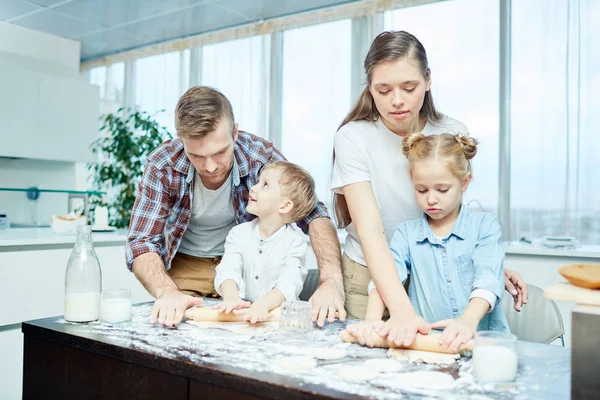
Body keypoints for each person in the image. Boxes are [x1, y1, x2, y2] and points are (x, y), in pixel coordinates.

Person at [331, 30, 527, 347]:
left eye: (409, 88)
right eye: (383, 90)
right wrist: (400, 310)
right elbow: (371, 231)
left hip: (432, 270)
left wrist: (482, 263)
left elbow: (457, 215)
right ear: (370, 88)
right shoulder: (353, 138)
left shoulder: (452, 132)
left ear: (428, 80)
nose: (397, 100)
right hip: (370, 274)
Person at [126, 86, 346, 328]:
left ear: (236, 133)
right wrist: (167, 292)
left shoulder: (261, 157)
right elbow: (142, 242)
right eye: (196, 155)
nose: (209, 167)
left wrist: (331, 283)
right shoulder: (162, 164)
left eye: (220, 152)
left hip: (246, 270)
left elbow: (315, 213)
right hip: (185, 268)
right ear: (182, 141)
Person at [347, 133, 510, 351]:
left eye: (442, 190)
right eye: (421, 190)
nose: (431, 199)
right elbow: (386, 276)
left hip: (484, 346)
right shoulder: (407, 233)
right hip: (429, 343)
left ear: (464, 182)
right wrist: (372, 319)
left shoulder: (485, 227)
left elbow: (488, 278)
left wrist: (468, 320)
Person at [213, 161, 316, 323]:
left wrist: (262, 306)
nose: (253, 188)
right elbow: (228, 268)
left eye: (265, 185)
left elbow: (289, 283)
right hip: (242, 316)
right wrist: (231, 297)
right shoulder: (238, 233)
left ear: (284, 205)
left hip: (278, 320)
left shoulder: (295, 242)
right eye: (258, 182)